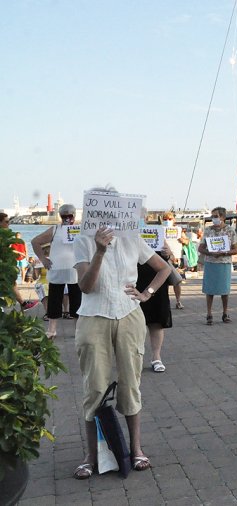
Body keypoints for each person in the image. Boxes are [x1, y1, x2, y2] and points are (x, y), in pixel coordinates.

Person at [71, 190, 171, 480]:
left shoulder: (131, 239)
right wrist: (99, 251)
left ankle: (135, 448)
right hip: (93, 315)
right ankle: (91, 455)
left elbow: (163, 268)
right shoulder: (82, 240)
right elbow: (86, 287)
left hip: (128, 314)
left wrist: (146, 293)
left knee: (131, 384)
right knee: (95, 387)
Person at [31, 204, 82, 338]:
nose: (67, 218)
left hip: (74, 270)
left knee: (76, 300)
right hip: (57, 270)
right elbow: (35, 242)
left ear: (74, 216)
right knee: (54, 300)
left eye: (69, 216)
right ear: (60, 216)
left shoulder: (80, 230)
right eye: (64, 216)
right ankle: (52, 329)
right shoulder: (55, 230)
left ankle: (78, 330)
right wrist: (43, 259)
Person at [137, 242, 174, 373]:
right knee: (133, 322)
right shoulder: (128, 231)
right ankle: (135, 357)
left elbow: (171, 257)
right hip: (133, 278)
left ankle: (156, 357)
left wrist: (168, 254)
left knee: (156, 320)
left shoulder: (157, 232)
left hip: (157, 280)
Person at [198, 207, 237, 325]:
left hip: (224, 263)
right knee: (209, 290)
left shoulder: (230, 230)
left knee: (224, 290)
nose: (214, 218)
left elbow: (236, 249)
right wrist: (210, 252)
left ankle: (225, 313)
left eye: (216, 216)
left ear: (223, 217)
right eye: (213, 216)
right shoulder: (208, 230)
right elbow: (201, 247)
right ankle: (209, 313)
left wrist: (224, 253)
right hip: (210, 263)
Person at [0, 213, 38, 310]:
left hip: (6, 265)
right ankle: (23, 304)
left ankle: (23, 303)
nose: (8, 224)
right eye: (6, 222)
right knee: (11, 284)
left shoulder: (6, 235)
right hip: (3, 266)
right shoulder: (3, 236)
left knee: (12, 283)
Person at [160, 211, 185, 309]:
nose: (167, 221)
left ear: (173, 220)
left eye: (169, 219)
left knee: (177, 281)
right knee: (163, 281)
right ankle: (164, 302)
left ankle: (178, 301)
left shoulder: (178, 230)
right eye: (165, 219)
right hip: (164, 257)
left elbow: (187, 241)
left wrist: (181, 240)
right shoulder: (160, 230)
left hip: (176, 258)